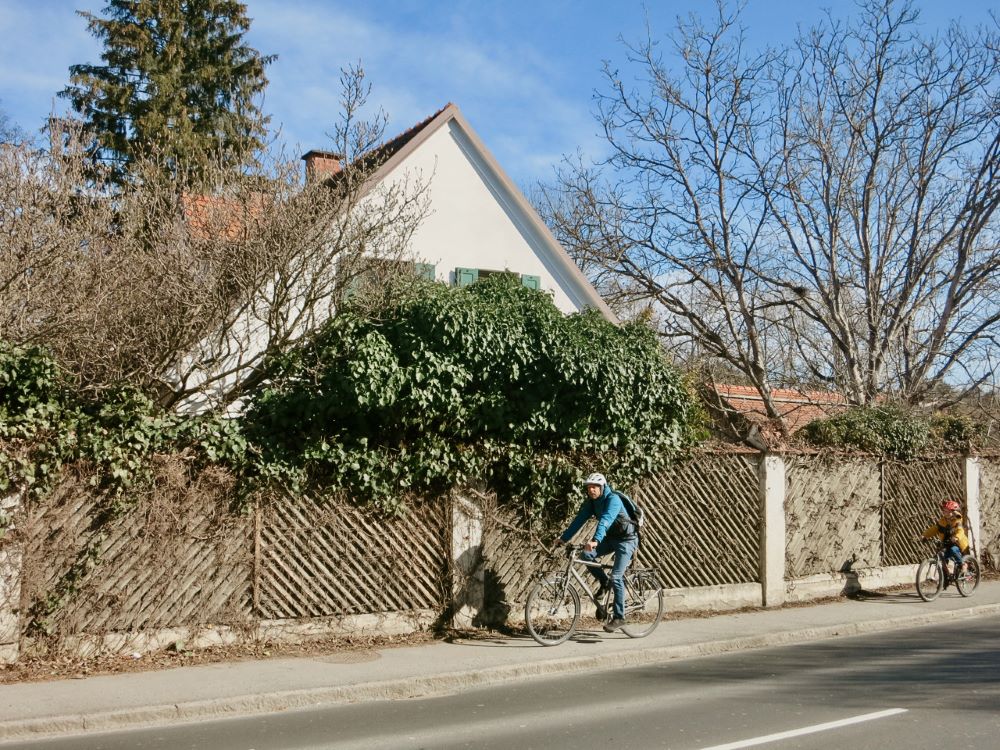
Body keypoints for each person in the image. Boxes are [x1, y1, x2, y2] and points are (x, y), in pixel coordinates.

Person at [555, 472, 639, 632]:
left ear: (603, 487)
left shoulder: (613, 499)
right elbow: (579, 520)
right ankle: (604, 582)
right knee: (586, 555)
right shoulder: (592, 503)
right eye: (589, 487)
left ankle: (619, 617)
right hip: (611, 539)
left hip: (626, 540)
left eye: (594, 487)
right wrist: (564, 538)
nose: (591, 490)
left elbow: (605, 520)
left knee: (616, 576)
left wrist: (596, 540)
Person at [922, 499, 970, 586]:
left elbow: (960, 531)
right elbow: (935, 529)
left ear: (953, 512)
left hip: (958, 543)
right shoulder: (943, 521)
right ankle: (946, 579)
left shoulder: (957, 519)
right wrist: (925, 535)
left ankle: (962, 564)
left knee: (953, 550)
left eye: (947, 511)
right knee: (943, 557)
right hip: (946, 542)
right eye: (944, 511)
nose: (945, 513)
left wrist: (956, 537)